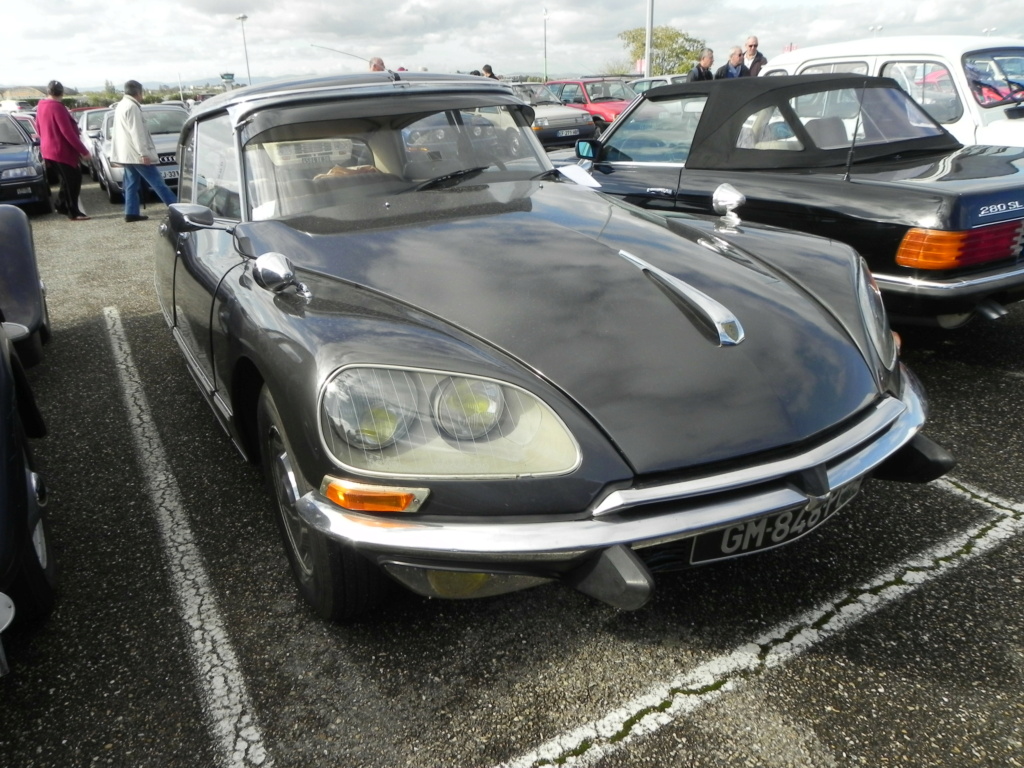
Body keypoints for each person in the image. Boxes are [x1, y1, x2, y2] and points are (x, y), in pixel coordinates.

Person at [110, 80, 177, 223]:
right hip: (136, 154)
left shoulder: (121, 105)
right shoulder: (132, 107)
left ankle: (131, 212)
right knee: (157, 182)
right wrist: (143, 153)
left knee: (131, 184)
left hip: (126, 154)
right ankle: (177, 209)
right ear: (139, 92)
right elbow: (137, 133)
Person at [35, 80, 91, 221]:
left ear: (48, 91)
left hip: (49, 149)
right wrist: (83, 151)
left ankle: (61, 205)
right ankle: (73, 212)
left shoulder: (41, 106)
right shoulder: (57, 107)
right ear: (61, 92)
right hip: (60, 150)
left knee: (67, 180)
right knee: (73, 179)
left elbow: (38, 127)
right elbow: (67, 132)